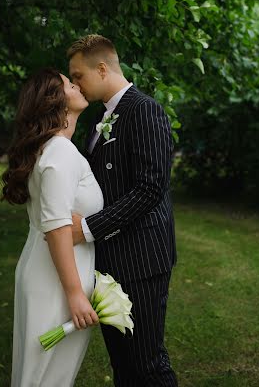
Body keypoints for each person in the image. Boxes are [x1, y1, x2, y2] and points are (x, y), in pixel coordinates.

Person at [68, 34, 178, 387]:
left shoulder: (144, 110)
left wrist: (87, 229)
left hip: (142, 259)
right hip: (112, 262)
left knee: (147, 364)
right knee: (122, 364)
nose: (75, 84)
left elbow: (150, 188)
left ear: (102, 68)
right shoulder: (102, 118)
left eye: (78, 75)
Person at [1, 67, 103, 387]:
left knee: (43, 375)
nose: (77, 84)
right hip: (56, 283)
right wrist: (75, 295)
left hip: (48, 274)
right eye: (69, 83)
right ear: (55, 100)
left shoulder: (51, 148)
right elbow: (57, 228)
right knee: (45, 379)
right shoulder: (59, 151)